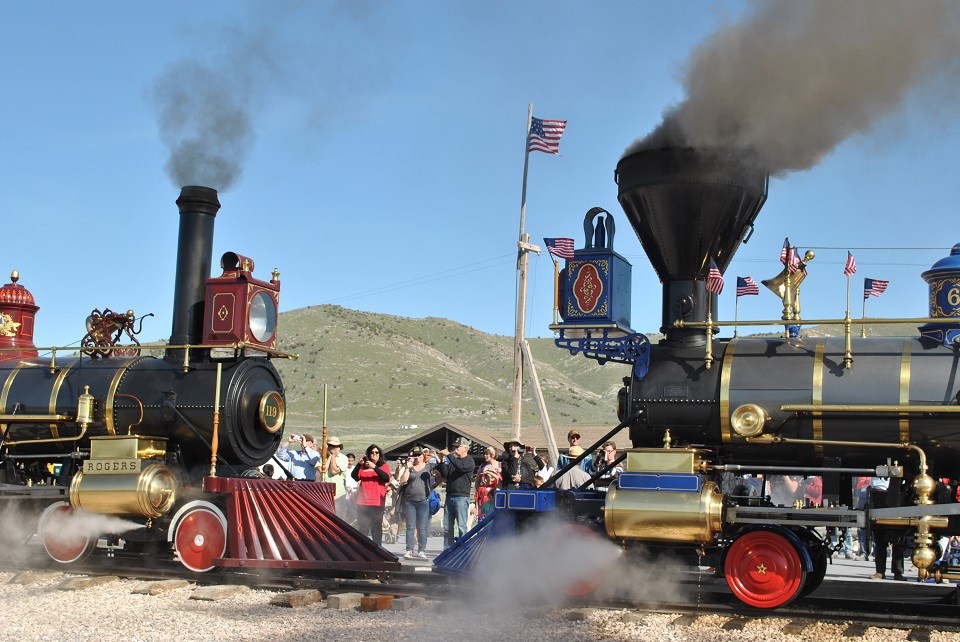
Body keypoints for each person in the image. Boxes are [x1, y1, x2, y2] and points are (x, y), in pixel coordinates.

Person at [395, 446, 434, 559]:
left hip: (423, 501)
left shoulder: (428, 467)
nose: (416, 457)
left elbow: (438, 476)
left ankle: (422, 550)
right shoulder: (410, 467)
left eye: (418, 455)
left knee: (422, 527)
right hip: (409, 501)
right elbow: (402, 481)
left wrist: (433, 487)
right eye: (414, 455)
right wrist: (408, 468)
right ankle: (409, 550)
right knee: (410, 526)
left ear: (422, 456)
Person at [351, 444, 391, 547]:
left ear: (379, 454)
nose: (374, 454)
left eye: (376, 452)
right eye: (372, 452)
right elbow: (355, 477)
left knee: (376, 528)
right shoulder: (363, 467)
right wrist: (359, 465)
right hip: (363, 502)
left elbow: (386, 478)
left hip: (377, 502)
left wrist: (375, 467)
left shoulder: (383, 466)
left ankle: (378, 549)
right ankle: (363, 550)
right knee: (362, 528)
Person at [438, 438, 475, 548]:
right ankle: (447, 550)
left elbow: (461, 467)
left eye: (458, 447)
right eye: (455, 447)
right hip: (450, 496)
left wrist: (449, 455)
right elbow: (445, 475)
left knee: (461, 526)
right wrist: (441, 460)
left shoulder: (469, 460)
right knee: (447, 526)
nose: (456, 449)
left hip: (462, 497)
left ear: (465, 449)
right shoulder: (453, 460)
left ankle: (462, 549)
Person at [869, 476, 906, 580]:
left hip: (895, 496)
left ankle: (898, 572)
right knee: (879, 541)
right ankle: (880, 571)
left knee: (897, 541)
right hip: (878, 496)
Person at [321, 436, 349, 515]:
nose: (331, 448)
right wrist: (329, 456)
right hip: (324, 493)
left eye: (334, 446)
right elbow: (322, 470)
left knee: (339, 518)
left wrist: (333, 456)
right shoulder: (323, 457)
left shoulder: (344, 458)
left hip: (338, 494)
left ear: (338, 447)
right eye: (329, 446)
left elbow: (334, 471)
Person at [474, 447, 500, 521]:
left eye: (487, 454)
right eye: (484, 454)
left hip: (494, 495)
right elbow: (477, 480)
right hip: (483, 494)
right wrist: (477, 492)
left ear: (493, 454)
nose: (485, 456)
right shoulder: (483, 466)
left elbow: (500, 481)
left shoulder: (499, 465)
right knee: (482, 516)